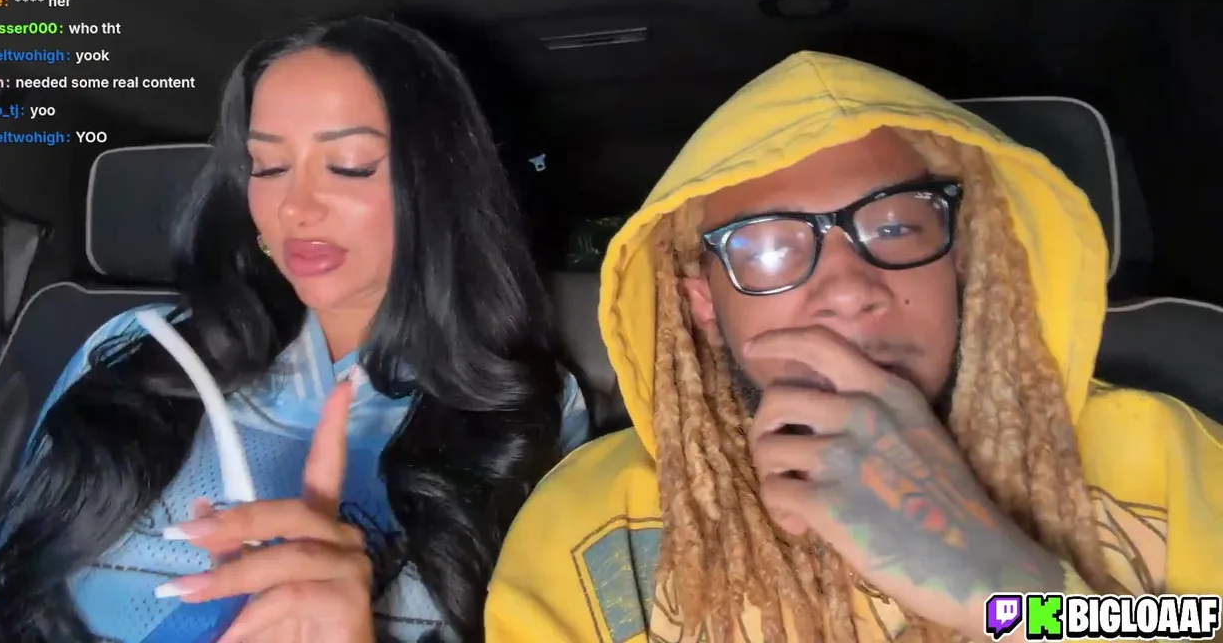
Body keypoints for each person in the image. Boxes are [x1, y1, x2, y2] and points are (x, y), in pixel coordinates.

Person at [485, 51, 1223, 642]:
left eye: (896, 227)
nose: (847, 288)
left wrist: (1014, 600)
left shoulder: (1163, 460)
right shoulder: (589, 528)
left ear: (962, 258)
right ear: (703, 303)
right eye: (768, 247)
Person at [0, 15, 590, 643]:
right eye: (268, 166)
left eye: (349, 165)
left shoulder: (525, 409)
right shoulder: (135, 353)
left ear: (438, 187)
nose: (295, 207)